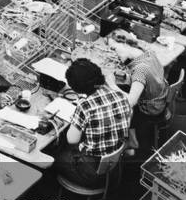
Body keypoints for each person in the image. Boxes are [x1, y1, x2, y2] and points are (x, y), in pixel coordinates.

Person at [54, 58, 131, 187]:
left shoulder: (85, 106)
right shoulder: (121, 95)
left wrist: (77, 119)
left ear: (76, 88)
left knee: (54, 156)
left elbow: (72, 139)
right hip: (114, 167)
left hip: (91, 173)